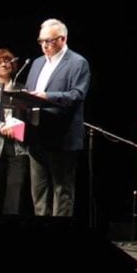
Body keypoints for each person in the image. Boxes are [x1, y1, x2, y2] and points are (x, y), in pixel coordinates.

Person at [25, 18, 91, 217]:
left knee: (62, 190)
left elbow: (77, 95)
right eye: (41, 41)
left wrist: (47, 96)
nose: (44, 45)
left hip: (62, 137)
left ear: (63, 38)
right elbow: (29, 93)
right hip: (36, 135)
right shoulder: (37, 63)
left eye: (49, 41)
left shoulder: (77, 62)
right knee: (38, 191)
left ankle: (58, 239)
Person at [0, 48, 32, 215]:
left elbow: (31, 119)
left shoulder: (23, 90)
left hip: (18, 149)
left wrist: (16, 127)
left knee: (15, 192)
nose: (4, 65)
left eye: (7, 61)